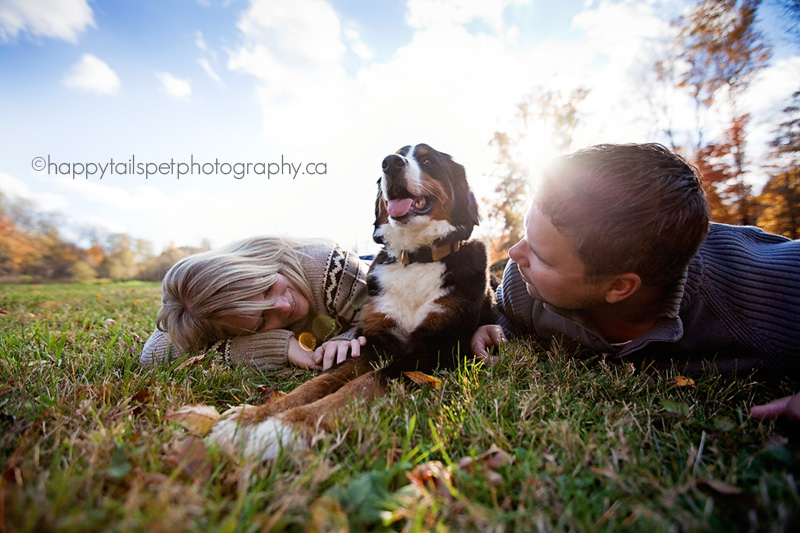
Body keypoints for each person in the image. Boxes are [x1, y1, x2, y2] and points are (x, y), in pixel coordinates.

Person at [471, 143, 800, 423]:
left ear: (619, 287)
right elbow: (506, 315)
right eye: (527, 233)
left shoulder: (761, 287)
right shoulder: (523, 284)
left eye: (542, 256)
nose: (515, 254)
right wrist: (494, 326)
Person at [140, 236, 369, 371]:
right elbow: (152, 354)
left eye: (267, 288)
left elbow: (400, 318)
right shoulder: (220, 319)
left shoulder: (336, 270)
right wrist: (277, 345)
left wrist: (348, 337)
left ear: (259, 264)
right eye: (262, 320)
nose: (283, 306)